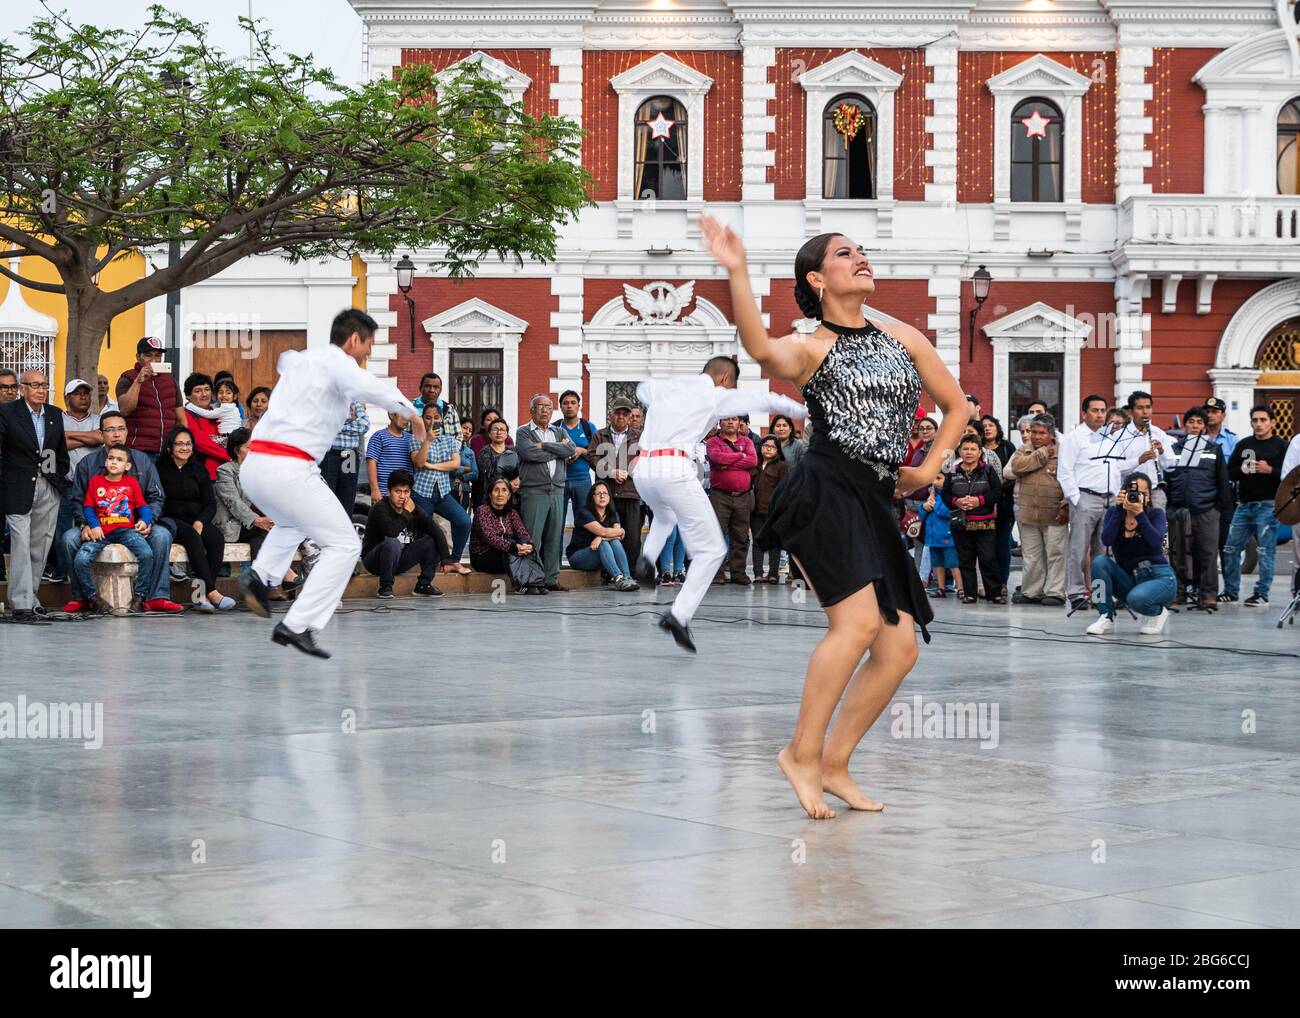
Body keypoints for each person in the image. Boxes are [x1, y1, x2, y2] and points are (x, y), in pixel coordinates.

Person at [701, 216, 965, 820]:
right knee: (856, 627)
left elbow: (956, 406)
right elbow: (759, 348)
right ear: (818, 279)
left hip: (876, 498)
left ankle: (836, 763)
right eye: (846, 254)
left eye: (863, 251)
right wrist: (738, 272)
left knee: (898, 651)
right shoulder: (810, 346)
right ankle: (801, 753)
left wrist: (926, 470)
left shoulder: (903, 337)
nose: (861, 258)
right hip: (825, 489)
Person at [238, 308, 425, 658]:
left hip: (256, 466)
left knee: (293, 522)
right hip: (288, 467)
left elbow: (293, 366)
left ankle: (259, 577)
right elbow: (371, 388)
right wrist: (411, 413)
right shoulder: (339, 364)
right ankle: (298, 625)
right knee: (344, 545)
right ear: (354, 340)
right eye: (368, 345)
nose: (368, 353)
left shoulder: (304, 362)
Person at [632, 357, 806, 643]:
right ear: (725, 377)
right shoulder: (713, 395)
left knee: (665, 516)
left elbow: (643, 389)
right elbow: (763, 399)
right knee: (712, 551)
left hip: (643, 470)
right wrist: (800, 409)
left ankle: (647, 560)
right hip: (673, 468)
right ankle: (680, 614)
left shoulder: (667, 388)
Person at [61, 411, 184, 615]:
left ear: (127, 432)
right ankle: (82, 597)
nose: (116, 434)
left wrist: (148, 521)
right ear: (101, 434)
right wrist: (84, 524)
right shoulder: (88, 464)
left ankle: (156, 596)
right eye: (110, 429)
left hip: (134, 525)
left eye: (120, 428)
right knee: (68, 538)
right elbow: (77, 500)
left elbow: (156, 496)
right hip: (97, 525)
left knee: (162, 535)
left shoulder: (142, 461)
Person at [0, 369, 69, 619]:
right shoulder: (7, 413)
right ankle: (21, 604)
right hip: (17, 486)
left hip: (48, 485)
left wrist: (58, 477)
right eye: (35, 385)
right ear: (22, 389)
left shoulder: (54, 414)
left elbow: (60, 451)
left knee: (40, 546)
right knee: (20, 542)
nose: (41, 389)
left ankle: (31, 596)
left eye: (45, 385)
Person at [1057, 394, 1127, 611]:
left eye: (1102, 410)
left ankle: (1100, 594)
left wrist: (1116, 494)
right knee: (1078, 549)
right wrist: (1077, 500)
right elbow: (1065, 471)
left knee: (1103, 550)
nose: (1099, 415)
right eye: (1094, 410)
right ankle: (1077, 592)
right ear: (1084, 413)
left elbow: (1116, 468)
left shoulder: (1110, 438)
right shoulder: (1074, 438)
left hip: (1109, 499)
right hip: (1085, 497)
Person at [214, 427, 301, 601]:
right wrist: (257, 520)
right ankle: (285, 576)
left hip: (252, 529)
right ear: (237, 450)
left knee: (262, 537)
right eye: (249, 446)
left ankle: (263, 587)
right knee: (265, 531)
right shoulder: (225, 471)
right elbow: (234, 503)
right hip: (231, 526)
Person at [1086, 472, 1176, 636]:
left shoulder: (1156, 514)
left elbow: (1156, 542)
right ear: (1124, 493)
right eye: (1134, 493)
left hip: (1159, 577)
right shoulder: (1114, 513)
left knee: (1136, 599)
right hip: (1130, 578)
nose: (1138, 497)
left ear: (1149, 496)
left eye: (1144, 493)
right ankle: (1105, 615)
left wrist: (1140, 514)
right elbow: (1106, 540)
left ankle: (1158, 612)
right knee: (1099, 562)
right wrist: (1120, 510)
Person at [157, 426, 235, 611]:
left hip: (196, 519)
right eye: (179, 444)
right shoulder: (159, 469)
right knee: (192, 537)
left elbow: (210, 503)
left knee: (215, 538)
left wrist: (200, 521)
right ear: (170, 447)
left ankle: (201, 594)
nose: (184, 448)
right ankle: (211, 592)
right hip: (171, 520)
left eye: (188, 443)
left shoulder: (199, 469)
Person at [74, 444, 155, 614]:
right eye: (110, 458)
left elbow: (143, 506)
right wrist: (94, 525)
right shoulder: (96, 482)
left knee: (147, 554)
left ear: (128, 466)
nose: (113, 462)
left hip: (126, 531)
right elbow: (88, 507)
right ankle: (94, 599)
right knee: (81, 559)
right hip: (101, 532)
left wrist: (145, 520)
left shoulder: (132, 483)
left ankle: (139, 597)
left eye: (119, 459)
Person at [1222, 405, 1289, 606]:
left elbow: (1291, 475)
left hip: (1268, 505)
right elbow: (1229, 472)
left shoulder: (1281, 446)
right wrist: (1242, 469)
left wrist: (1270, 470)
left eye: (1263, 420)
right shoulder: (1244, 445)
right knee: (1231, 548)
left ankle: (1262, 594)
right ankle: (1231, 591)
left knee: (1265, 550)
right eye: (1255, 420)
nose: (1259, 424)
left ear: (1272, 422)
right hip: (1243, 505)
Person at [1166, 407, 1230, 610]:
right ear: (1185, 425)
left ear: (1204, 427)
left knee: (1208, 554)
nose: (1195, 426)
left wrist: (1218, 509)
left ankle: (1208, 594)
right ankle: (1179, 592)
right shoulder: (1174, 449)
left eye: (1199, 422)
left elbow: (1223, 481)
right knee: (1177, 552)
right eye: (1191, 421)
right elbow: (1167, 479)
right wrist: (1170, 507)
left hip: (1206, 510)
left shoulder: (1214, 450)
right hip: (1178, 510)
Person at [516, 394, 576, 592]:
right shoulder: (523, 432)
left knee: (553, 537)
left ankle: (550, 578)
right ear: (531, 410)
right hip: (534, 491)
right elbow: (529, 454)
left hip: (557, 490)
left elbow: (571, 449)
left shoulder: (558, 431)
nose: (544, 411)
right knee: (532, 536)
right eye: (540, 407)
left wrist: (545, 446)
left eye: (548, 407)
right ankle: (531, 579)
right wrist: (559, 450)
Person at [1008, 414, 1067, 606]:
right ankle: (1032, 592)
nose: (1036, 436)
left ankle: (1056, 592)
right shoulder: (1023, 450)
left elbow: (1070, 479)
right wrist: (1041, 455)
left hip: (1054, 512)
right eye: (1033, 432)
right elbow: (1017, 467)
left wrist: (1066, 506)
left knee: (1055, 554)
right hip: (1028, 513)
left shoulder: (1063, 451)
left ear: (1051, 434)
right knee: (1031, 556)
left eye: (1041, 433)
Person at [360, 469, 447, 598]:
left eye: (406, 492)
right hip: (374, 561)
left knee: (431, 539)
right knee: (392, 542)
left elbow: (435, 530)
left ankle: (423, 585)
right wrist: (406, 512)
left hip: (399, 559)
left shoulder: (413, 508)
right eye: (398, 491)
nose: (402, 496)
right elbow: (392, 532)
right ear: (389, 492)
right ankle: (385, 587)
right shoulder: (380, 508)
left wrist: (446, 559)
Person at [409, 403, 472, 575]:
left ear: (442, 419)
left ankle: (454, 560)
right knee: (426, 533)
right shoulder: (416, 438)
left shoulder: (449, 440)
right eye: (428, 417)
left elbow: (455, 464)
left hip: (443, 493)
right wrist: (427, 441)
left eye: (436, 417)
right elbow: (419, 463)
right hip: (422, 493)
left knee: (464, 522)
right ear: (423, 419)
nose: (432, 421)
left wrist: (433, 466)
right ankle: (426, 570)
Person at [51, 378, 103, 583]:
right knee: (63, 528)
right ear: (66, 397)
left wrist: (67, 437)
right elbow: (54, 443)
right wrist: (86, 437)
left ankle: (89, 570)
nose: (84, 397)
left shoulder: (99, 418)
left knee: (93, 526)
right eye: (77, 393)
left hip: (94, 484)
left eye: (86, 393)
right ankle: (64, 571)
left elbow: (100, 438)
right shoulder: (57, 418)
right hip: (66, 482)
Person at [942, 435, 1004, 604]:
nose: (969, 452)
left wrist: (979, 500)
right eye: (965, 449)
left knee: (988, 558)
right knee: (966, 559)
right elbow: (946, 495)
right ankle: (970, 594)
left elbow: (997, 492)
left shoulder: (988, 470)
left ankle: (995, 593)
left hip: (985, 522)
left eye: (973, 449)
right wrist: (957, 502)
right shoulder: (953, 471)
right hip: (961, 523)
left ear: (979, 452)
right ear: (960, 451)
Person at [589, 398, 643, 568]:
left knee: (632, 537)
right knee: (607, 534)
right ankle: (609, 573)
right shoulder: (599, 435)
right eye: (617, 413)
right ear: (610, 415)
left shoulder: (639, 437)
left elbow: (645, 460)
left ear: (630, 417)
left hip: (631, 493)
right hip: (607, 496)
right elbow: (592, 457)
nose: (621, 417)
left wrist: (628, 472)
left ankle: (630, 573)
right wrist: (611, 472)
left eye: (625, 414)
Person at [706, 415, 758, 584]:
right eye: (726, 419)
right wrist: (741, 456)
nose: (730, 422)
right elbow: (717, 459)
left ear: (739, 423)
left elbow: (753, 461)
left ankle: (738, 573)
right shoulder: (713, 442)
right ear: (720, 423)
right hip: (720, 495)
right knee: (717, 535)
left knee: (741, 536)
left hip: (743, 496)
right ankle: (717, 574)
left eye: (734, 419)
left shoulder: (747, 441)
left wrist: (728, 463)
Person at [469, 478, 545, 593]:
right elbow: (490, 537)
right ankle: (521, 586)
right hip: (482, 555)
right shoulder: (482, 511)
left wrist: (528, 545)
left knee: (530, 550)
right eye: (496, 490)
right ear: (490, 494)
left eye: (504, 490)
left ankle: (537, 583)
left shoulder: (511, 513)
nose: (500, 494)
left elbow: (522, 532)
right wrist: (513, 547)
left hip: (506, 552)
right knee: (509, 551)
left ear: (509, 495)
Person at [116, 337, 184, 459]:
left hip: (167, 451)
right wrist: (138, 381)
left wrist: (180, 445)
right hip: (139, 451)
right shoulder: (128, 378)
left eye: (158, 356)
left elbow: (181, 419)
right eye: (148, 355)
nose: (154, 360)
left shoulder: (170, 380)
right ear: (138, 357)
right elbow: (125, 409)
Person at [566, 480, 639, 590]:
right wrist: (608, 534)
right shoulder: (584, 513)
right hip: (579, 556)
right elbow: (606, 531)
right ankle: (618, 578)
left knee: (614, 542)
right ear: (592, 497)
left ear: (609, 497)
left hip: (601, 555)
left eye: (605, 493)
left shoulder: (612, 513)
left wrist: (601, 537)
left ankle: (627, 577)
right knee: (604, 544)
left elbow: (618, 536)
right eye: (598, 494)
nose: (602, 496)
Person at [980, 414, 1017, 590]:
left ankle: (1002, 581)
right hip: (981, 503)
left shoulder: (1007, 447)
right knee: (985, 545)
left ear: (997, 428)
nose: (987, 428)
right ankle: (987, 583)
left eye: (991, 425)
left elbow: (1014, 471)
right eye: (984, 426)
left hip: (1004, 502)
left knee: (1002, 543)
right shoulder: (976, 448)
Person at [179, 372, 233, 479]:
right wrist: (230, 456)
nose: (204, 394)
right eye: (198, 391)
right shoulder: (186, 415)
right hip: (204, 475)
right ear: (188, 396)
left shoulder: (218, 413)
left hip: (227, 472)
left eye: (207, 389)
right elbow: (200, 441)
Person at [555, 389, 596, 526]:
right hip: (559, 481)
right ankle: (556, 549)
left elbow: (597, 453)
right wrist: (562, 455)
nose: (569, 406)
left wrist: (581, 451)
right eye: (565, 403)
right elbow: (547, 453)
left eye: (573, 403)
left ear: (579, 406)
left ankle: (581, 548)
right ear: (560, 407)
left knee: (584, 521)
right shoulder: (554, 428)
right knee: (557, 522)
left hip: (582, 480)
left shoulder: (588, 427)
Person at [751, 435, 789, 584]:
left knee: (774, 542)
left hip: (773, 511)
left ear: (777, 450)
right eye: (765, 445)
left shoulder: (782, 466)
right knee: (757, 542)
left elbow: (785, 490)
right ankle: (758, 574)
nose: (767, 449)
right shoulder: (755, 463)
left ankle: (773, 574)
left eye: (772, 446)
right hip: (755, 510)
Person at [321, 398, 369, 512]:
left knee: (347, 498)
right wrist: (351, 420)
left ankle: (344, 528)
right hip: (330, 455)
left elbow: (365, 425)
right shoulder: (326, 401)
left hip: (350, 456)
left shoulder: (354, 402)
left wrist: (339, 426)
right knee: (327, 498)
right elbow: (325, 424)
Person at [920, 482, 960, 598]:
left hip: (946, 537)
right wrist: (924, 507)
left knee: (953, 563)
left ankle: (960, 587)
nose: (935, 482)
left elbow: (946, 512)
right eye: (934, 479)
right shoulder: (930, 496)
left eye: (939, 478)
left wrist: (934, 503)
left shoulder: (949, 495)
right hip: (933, 538)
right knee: (937, 564)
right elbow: (922, 515)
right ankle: (941, 588)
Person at [366, 411, 416, 498]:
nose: (407, 420)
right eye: (404, 416)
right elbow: (371, 463)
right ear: (391, 415)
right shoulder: (379, 436)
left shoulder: (411, 438)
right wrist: (375, 490)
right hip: (384, 492)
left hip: (405, 494)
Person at [475, 418, 521, 508]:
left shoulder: (514, 451)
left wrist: (518, 480)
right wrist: (508, 484)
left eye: (502, 430)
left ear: (507, 434)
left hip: (513, 498)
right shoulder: (485, 452)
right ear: (489, 434)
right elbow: (491, 473)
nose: (499, 432)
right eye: (495, 429)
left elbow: (522, 469)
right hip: (493, 497)